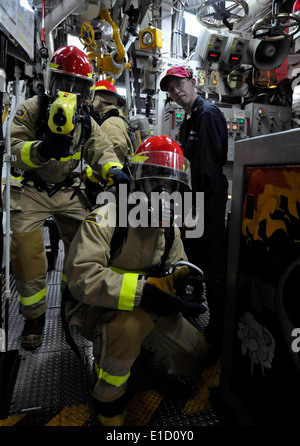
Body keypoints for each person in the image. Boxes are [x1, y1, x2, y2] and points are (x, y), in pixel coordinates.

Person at [64, 135, 208, 426]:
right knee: (128, 327)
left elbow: (174, 272)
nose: (163, 196)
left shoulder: (170, 231)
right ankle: (108, 398)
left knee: (194, 355)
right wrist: (148, 290)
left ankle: (130, 351)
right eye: (156, 184)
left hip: (145, 308)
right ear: (137, 184)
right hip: (94, 308)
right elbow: (82, 278)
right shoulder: (106, 218)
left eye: (170, 187)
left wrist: (182, 291)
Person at [7, 45, 129, 350]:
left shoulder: (87, 121)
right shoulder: (31, 110)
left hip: (66, 189)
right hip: (31, 189)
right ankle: (34, 316)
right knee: (25, 252)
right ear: (50, 81)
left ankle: (73, 298)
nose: (70, 91)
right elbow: (12, 148)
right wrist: (41, 149)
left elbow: (102, 151)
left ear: (88, 92)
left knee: (87, 242)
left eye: (78, 86)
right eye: (63, 83)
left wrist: (114, 172)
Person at [160, 66, 229, 359]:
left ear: (192, 83)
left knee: (212, 266)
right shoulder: (188, 120)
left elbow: (208, 171)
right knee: (192, 259)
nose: (177, 92)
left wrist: (192, 209)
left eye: (180, 85)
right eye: (172, 90)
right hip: (191, 205)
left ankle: (220, 330)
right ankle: (193, 308)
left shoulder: (208, 115)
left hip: (206, 206)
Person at [91, 80, 134, 163]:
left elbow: (116, 151)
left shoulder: (110, 123)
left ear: (96, 101)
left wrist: (90, 174)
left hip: (111, 175)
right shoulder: (117, 120)